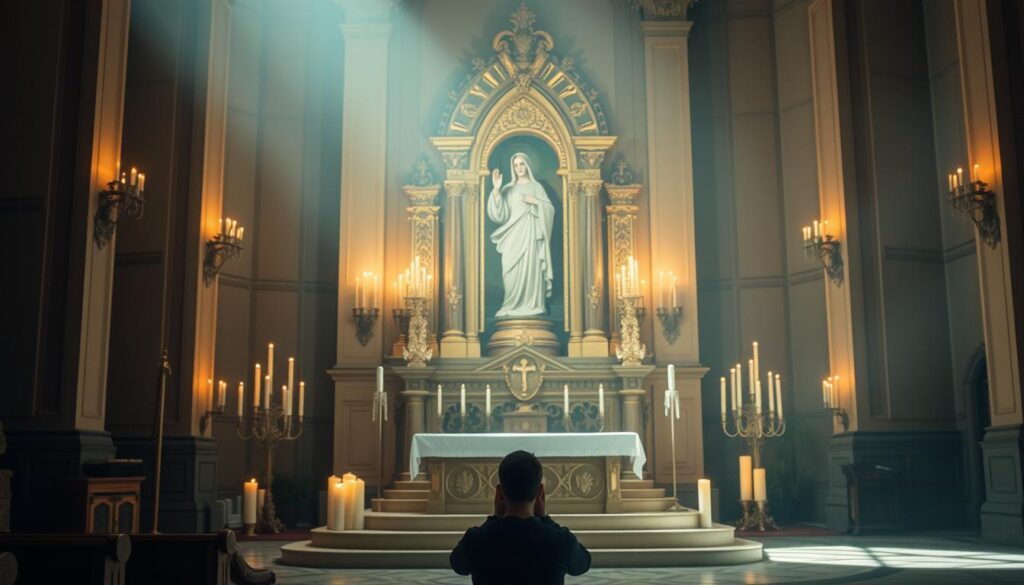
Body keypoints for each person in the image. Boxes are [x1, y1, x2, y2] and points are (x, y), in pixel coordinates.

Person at [450, 450, 591, 584]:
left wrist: (494, 519)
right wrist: (546, 519)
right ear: (540, 492)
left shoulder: (476, 539)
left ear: (499, 493)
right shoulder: (561, 540)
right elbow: (583, 564)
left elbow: (458, 565)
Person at [487, 153, 555, 318]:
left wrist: (537, 202)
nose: (519, 168)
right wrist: (496, 190)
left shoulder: (536, 187)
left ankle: (533, 305)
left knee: (532, 269)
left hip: (531, 236)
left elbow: (550, 210)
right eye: (516, 165)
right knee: (510, 272)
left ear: (528, 165)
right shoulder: (508, 188)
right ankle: (510, 304)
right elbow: (499, 215)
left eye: (522, 164)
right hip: (512, 237)